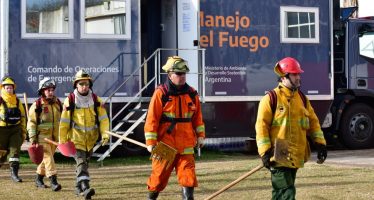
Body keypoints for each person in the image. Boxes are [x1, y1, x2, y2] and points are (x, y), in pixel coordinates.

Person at [255, 57, 327, 200]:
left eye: (299, 74)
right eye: (295, 74)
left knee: (280, 194)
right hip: (278, 152)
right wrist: (264, 152)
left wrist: (321, 144)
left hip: (296, 153)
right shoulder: (270, 98)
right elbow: (261, 126)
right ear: (284, 77)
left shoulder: (302, 99)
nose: (298, 77)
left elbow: (313, 123)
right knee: (287, 193)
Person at [144, 56, 205, 200]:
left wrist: (201, 135)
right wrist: (151, 143)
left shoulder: (191, 93)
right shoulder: (161, 93)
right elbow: (152, 119)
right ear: (170, 75)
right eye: (178, 74)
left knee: (188, 177)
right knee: (158, 178)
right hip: (165, 145)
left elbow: (197, 118)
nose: (182, 76)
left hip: (186, 145)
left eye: (184, 73)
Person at [59, 70, 109, 199]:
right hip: (76, 140)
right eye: (81, 84)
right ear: (76, 85)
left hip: (90, 140)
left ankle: (78, 188)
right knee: (81, 163)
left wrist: (105, 134)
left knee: (84, 164)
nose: (84, 86)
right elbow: (64, 122)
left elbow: (103, 119)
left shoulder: (96, 100)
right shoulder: (69, 100)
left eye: (86, 84)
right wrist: (62, 140)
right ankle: (86, 187)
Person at [27, 77, 62, 191]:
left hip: (54, 139)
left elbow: (61, 120)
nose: (51, 92)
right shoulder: (37, 106)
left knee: (45, 160)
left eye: (52, 90)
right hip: (42, 139)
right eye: (48, 90)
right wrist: (33, 139)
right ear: (42, 91)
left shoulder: (57, 104)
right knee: (49, 159)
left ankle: (38, 179)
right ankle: (53, 181)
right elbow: (31, 123)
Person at [0, 76, 27, 182]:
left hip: (15, 130)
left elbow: (23, 116)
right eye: (7, 88)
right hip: (1, 130)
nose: (9, 90)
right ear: (3, 88)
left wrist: (23, 131)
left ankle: (14, 175)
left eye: (11, 88)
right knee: (1, 154)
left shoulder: (17, 101)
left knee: (14, 152)